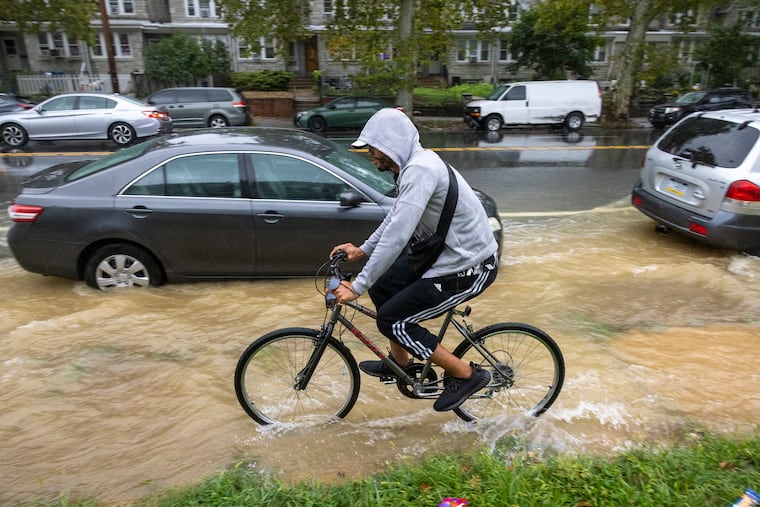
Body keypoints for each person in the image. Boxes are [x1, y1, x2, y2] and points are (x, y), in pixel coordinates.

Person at [330, 108, 499, 412]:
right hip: (444, 257)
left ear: (392, 143)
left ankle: (466, 375)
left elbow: (397, 236)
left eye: (373, 147)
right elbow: (397, 217)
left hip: (469, 267)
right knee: (382, 285)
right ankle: (401, 362)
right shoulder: (412, 167)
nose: (370, 155)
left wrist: (357, 286)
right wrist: (363, 250)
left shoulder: (420, 169)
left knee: (392, 320)